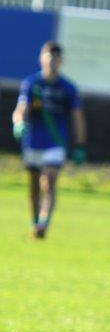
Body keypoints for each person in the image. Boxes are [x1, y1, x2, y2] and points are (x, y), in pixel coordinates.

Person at [11, 41, 87, 239]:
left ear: (61, 62)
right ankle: (35, 223)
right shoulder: (32, 84)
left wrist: (80, 144)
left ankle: (44, 223)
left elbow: (77, 116)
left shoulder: (68, 88)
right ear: (41, 58)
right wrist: (18, 123)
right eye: (49, 57)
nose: (52, 62)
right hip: (33, 142)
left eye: (56, 58)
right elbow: (21, 109)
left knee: (50, 180)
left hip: (55, 143)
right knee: (34, 185)